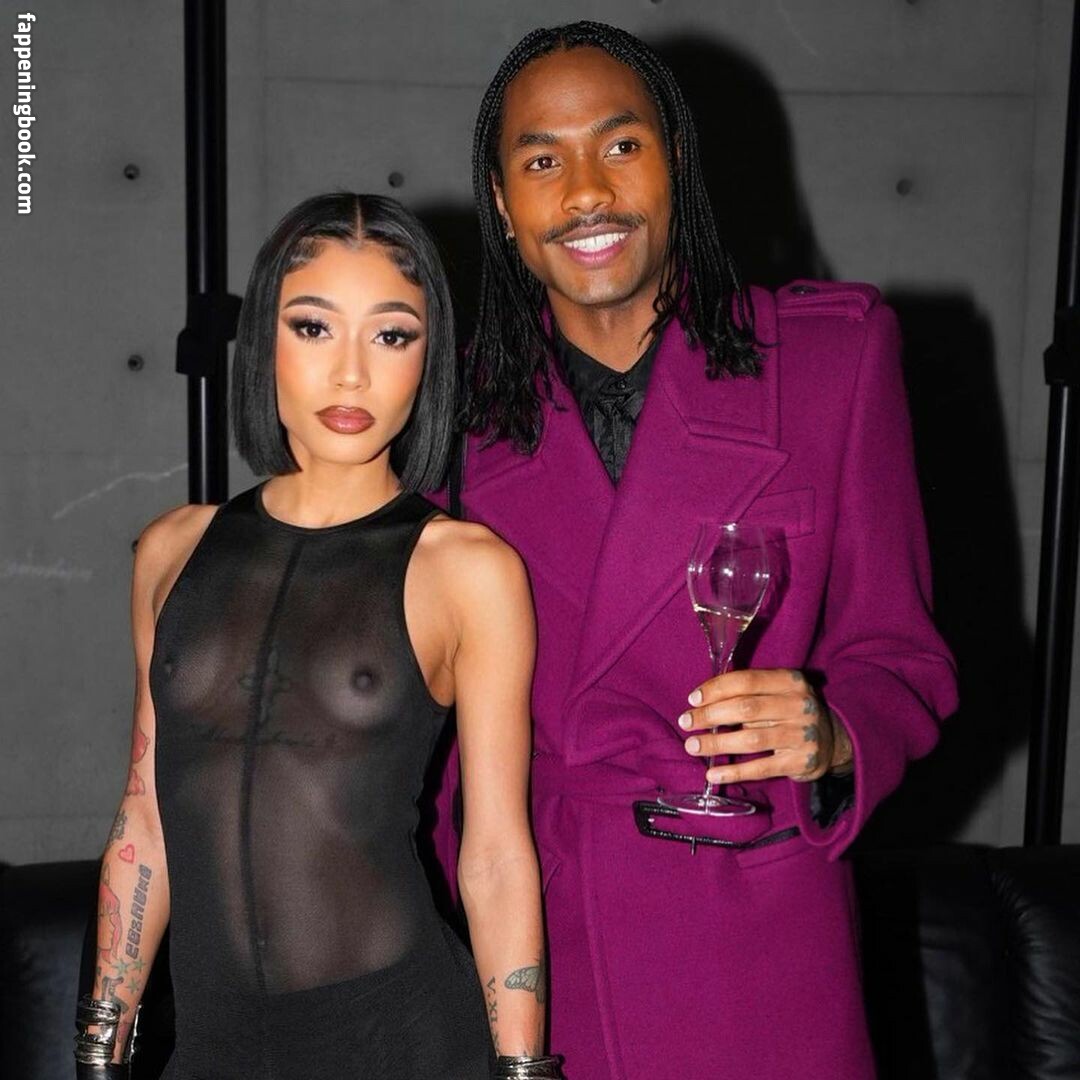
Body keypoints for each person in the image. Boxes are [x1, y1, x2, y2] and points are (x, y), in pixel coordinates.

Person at [431, 22, 959, 1080]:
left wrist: (835, 734)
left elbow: (902, 656)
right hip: (545, 953)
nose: (588, 192)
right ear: (502, 201)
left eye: (621, 146)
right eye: (543, 162)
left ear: (677, 161)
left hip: (763, 956)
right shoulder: (449, 420)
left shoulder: (831, 363)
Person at [76, 193, 559, 1080]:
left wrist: (524, 1074)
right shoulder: (171, 551)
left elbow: (494, 855)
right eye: (313, 327)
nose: (351, 375)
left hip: (399, 1040)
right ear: (263, 341)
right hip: (212, 1046)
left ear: (429, 360)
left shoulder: (468, 569)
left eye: (391, 335)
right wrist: (98, 1047)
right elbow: (145, 816)